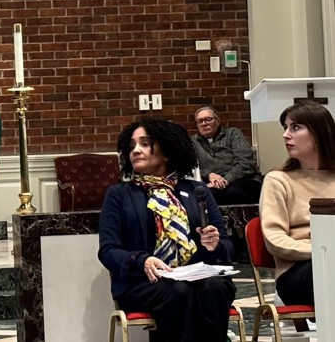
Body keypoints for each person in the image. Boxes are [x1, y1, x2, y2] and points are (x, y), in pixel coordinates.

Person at [98, 118, 236, 342]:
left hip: (196, 275)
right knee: (176, 291)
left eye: (144, 143)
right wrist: (142, 261)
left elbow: (227, 245)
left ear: (168, 151)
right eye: (132, 146)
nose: (136, 151)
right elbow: (108, 250)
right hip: (144, 283)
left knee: (214, 287)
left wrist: (214, 245)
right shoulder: (119, 195)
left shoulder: (196, 191)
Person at [260, 101, 335, 306]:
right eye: (285, 127)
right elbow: (274, 240)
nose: (285, 135)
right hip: (297, 272)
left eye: (295, 127)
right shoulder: (278, 180)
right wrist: (324, 250)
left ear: (319, 133)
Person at [192, 105, 262, 205]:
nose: (204, 123)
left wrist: (225, 180)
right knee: (206, 196)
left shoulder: (233, 134)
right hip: (213, 184)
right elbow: (192, 167)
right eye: (200, 121)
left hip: (242, 179)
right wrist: (209, 174)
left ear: (217, 120)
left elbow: (245, 163)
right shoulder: (194, 142)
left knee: (234, 192)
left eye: (208, 119)